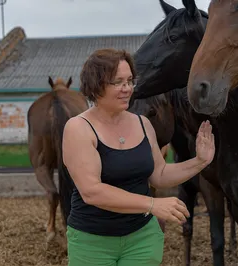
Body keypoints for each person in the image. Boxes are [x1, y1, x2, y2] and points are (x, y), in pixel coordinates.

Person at [62, 48, 215, 266]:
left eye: (130, 81)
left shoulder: (143, 124)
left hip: (143, 238)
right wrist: (152, 204)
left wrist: (199, 161)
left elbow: (159, 174)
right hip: (93, 241)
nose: (127, 89)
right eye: (118, 82)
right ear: (96, 85)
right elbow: (92, 191)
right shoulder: (79, 128)